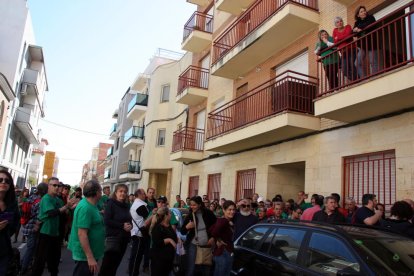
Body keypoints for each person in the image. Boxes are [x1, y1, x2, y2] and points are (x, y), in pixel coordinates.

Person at [31, 177, 76, 276]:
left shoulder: (58, 199)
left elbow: (64, 213)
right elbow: (52, 213)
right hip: (45, 233)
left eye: (58, 185)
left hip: (55, 234)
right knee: (40, 260)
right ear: (49, 186)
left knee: (54, 260)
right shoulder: (46, 198)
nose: (57, 187)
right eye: (54, 185)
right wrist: (66, 207)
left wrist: (71, 207)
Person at [68, 180, 105, 276]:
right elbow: (82, 234)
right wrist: (90, 257)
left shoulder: (90, 205)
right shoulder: (86, 208)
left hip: (90, 253)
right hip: (84, 256)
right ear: (96, 192)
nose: (101, 193)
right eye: (100, 191)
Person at [99, 184, 132, 276]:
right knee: (106, 266)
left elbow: (129, 220)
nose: (123, 193)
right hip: (113, 239)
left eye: (125, 192)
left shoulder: (126, 206)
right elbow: (107, 221)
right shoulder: (111, 203)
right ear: (116, 192)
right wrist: (122, 226)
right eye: (121, 191)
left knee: (115, 266)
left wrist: (130, 226)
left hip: (124, 239)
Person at [181, 196, 217, 276]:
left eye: (194, 205)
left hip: (207, 245)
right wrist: (187, 227)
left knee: (206, 267)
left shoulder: (208, 213)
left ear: (200, 204)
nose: (192, 207)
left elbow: (216, 226)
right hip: (193, 245)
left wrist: (213, 238)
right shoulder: (190, 215)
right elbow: (182, 231)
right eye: (191, 205)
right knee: (191, 267)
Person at [20, 182, 48, 275]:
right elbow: (39, 216)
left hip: (26, 225)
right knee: (31, 249)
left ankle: (23, 265)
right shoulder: (41, 201)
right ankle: (23, 268)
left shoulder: (31, 197)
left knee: (31, 248)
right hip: (33, 228)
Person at [0, 170, 20, 276]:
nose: (3, 182)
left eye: (7, 181)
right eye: (0, 180)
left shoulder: (11, 204)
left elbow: (15, 223)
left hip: (4, 250)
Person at [353, 6, 381, 77]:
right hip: (362, 45)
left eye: (364, 10)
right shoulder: (357, 22)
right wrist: (355, 30)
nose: (364, 12)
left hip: (372, 43)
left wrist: (359, 28)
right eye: (361, 11)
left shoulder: (371, 17)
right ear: (358, 15)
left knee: (373, 62)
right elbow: (352, 32)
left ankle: (375, 77)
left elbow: (368, 24)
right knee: (357, 63)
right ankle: (364, 78)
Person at [149, 207, 177, 276]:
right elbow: (157, 242)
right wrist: (168, 240)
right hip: (159, 261)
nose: (171, 215)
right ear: (166, 215)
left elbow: (173, 237)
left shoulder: (169, 225)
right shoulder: (158, 227)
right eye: (170, 213)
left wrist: (177, 239)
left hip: (169, 260)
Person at [210, 200, 236, 276]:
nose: (232, 212)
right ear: (224, 210)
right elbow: (213, 232)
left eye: (233, 209)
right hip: (223, 253)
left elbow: (211, 229)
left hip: (224, 252)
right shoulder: (223, 221)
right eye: (229, 210)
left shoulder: (226, 221)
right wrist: (219, 240)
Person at [129, 188, 150, 276]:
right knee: (137, 256)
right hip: (139, 234)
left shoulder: (136, 204)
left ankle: (133, 272)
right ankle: (133, 273)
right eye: (144, 193)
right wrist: (153, 214)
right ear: (139, 194)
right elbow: (148, 218)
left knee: (136, 256)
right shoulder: (140, 205)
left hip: (136, 232)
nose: (145, 195)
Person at [333, 16, 357, 82]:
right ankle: (355, 80)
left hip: (352, 50)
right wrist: (343, 38)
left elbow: (348, 36)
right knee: (344, 70)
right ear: (335, 24)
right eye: (337, 22)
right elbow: (335, 42)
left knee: (352, 66)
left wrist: (338, 38)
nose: (340, 23)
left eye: (341, 21)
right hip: (343, 52)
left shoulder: (348, 26)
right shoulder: (335, 30)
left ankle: (357, 80)